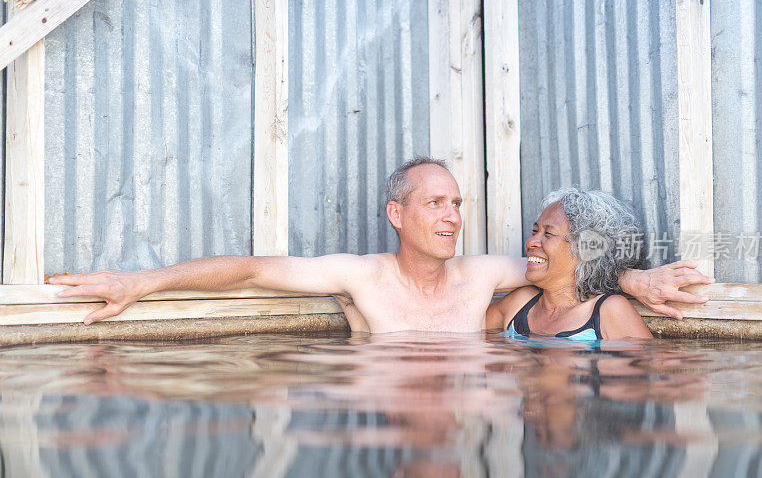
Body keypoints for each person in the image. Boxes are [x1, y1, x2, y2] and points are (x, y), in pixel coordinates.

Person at [49, 158, 713, 332]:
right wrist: (141, 282)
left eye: (458, 203)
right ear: (397, 213)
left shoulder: (485, 274)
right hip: (383, 410)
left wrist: (637, 281)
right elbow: (251, 270)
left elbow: (566, 269)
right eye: (436, 203)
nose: (453, 217)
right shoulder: (361, 276)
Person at [485, 187, 652, 340]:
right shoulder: (519, 303)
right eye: (535, 231)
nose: (531, 243)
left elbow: (646, 369)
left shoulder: (609, 311)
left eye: (548, 234)